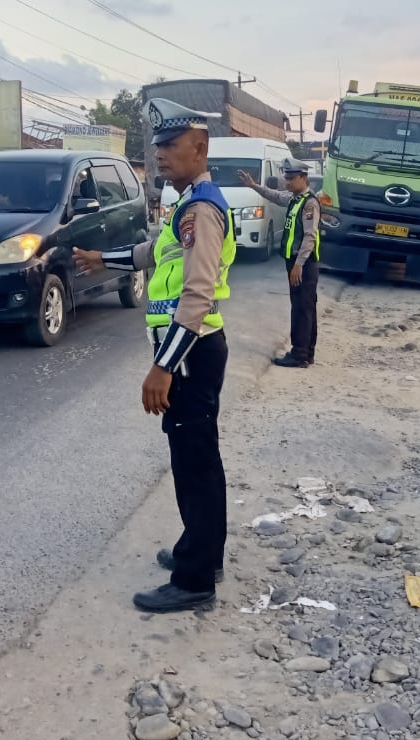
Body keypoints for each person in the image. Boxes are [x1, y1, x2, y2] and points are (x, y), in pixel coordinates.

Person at [73, 98, 237, 614]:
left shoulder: (203, 209)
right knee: (195, 459)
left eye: (170, 145)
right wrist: (104, 257)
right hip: (192, 352)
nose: (161, 154)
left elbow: (198, 296)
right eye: (158, 145)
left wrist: (162, 367)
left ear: (199, 147)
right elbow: (154, 253)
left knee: (195, 463)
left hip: (191, 353)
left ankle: (195, 581)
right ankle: (202, 553)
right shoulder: (189, 204)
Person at [238, 160, 321, 368]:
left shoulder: (309, 203)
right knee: (304, 308)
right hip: (295, 262)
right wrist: (254, 185)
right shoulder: (294, 200)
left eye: (292, 178)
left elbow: (310, 237)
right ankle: (306, 353)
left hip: (304, 264)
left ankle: (300, 355)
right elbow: (274, 196)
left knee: (302, 310)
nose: (288, 182)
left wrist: (299, 265)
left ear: (303, 178)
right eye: (286, 178)